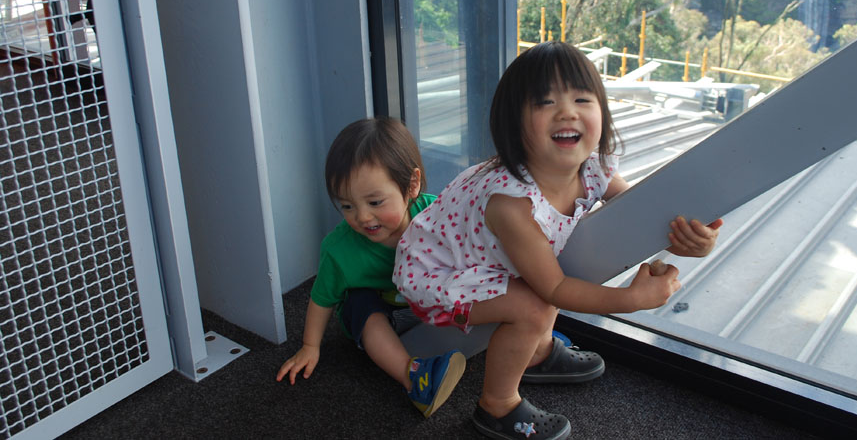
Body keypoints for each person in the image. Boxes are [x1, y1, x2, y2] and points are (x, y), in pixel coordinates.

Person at [393, 42, 723, 439]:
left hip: (482, 256)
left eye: (582, 99)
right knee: (535, 304)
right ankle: (497, 405)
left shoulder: (593, 169)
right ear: (513, 124)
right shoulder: (511, 205)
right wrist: (631, 300)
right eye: (545, 102)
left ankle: (536, 354)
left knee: (543, 282)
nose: (567, 112)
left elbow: (644, 217)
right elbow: (555, 289)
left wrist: (689, 240)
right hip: (437, 273)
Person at [277, 117, 465, 418]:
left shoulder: (435, 216)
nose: (363, 217)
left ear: (411, 185)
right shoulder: (339, 250)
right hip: (379, 320)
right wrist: (310, 346)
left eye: (375, 202)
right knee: (359, 302)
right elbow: (321, 299)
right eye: (347, 206)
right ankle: (415, 378)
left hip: (425, 306)